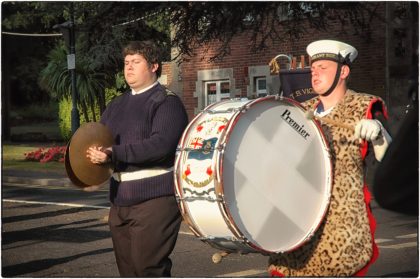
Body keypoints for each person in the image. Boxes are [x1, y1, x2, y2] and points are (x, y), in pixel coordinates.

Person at [268, 39, 392, 276]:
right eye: (313, 69)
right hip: (300, 225)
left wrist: (379, 135)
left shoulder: (365, 107)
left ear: (343, 71)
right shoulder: (300, 111)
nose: (315, 74)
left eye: (323, 68)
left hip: (341, 227)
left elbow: (390, 164)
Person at [86, 40, 188, 277]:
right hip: (120, 199)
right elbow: (100, 139)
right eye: (126, 62)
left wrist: (115, 152)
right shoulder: (116, 104)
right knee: (128, 271)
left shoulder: (166, 101)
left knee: (148, 269)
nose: (129, 67)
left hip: (156, 200)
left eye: (136, 62)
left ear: (154, 66)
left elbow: (161, 146)